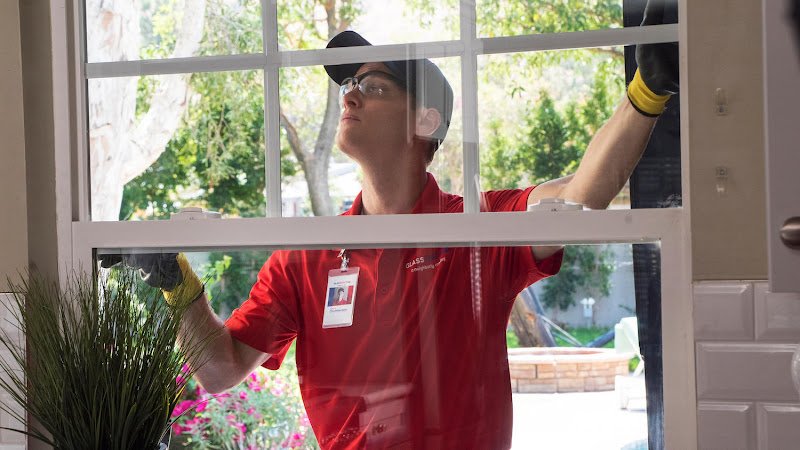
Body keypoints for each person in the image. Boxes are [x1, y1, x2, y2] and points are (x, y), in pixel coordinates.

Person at [105, 2, 678, 448]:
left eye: (373, 86)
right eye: (349, 86)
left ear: (424, 121)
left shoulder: (478, 229)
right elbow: (221, 370)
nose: (350, 96)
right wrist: (177, 285)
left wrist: (647, 90)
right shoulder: (306, 257)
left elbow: (582, 195)